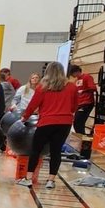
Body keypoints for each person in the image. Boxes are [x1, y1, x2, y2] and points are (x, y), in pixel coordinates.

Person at [19, 61, 77, 190]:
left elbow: (33, 105)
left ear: (47, 72)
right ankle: (51, 180)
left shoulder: (42, 87)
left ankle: (28, 178)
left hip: (46, 122)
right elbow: (74, 106)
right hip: (64, 123)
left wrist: (25, 117)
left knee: (36, 150)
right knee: (56, 151)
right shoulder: (72, 87)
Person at [69, 63, 98, 134]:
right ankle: (81, 139)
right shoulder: (76, 81)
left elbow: (93, 88)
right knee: (77, 123)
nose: (72, 76)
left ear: (76, 71)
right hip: (79, 104)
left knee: (78, 123)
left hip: (86, 103)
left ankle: (82, 139)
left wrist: (84, 90)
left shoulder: (87, 77)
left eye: (72, 74)